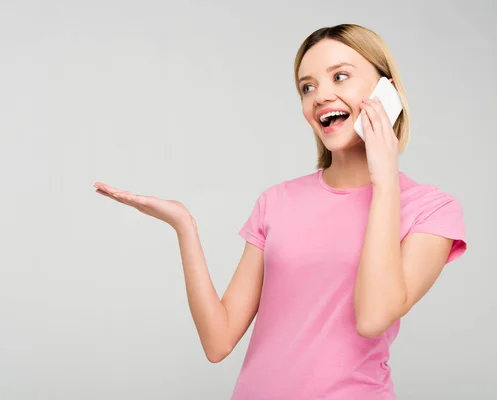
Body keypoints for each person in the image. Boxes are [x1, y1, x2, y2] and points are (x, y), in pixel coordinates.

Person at [93, 23, 467, 400]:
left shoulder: (430, 211)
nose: (321, 96)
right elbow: (217, 341)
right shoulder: (277, 201)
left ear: (386, 90)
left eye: (340, 76)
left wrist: (384, 181)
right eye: (308, 87)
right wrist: (184, 226)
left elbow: (372, 318)